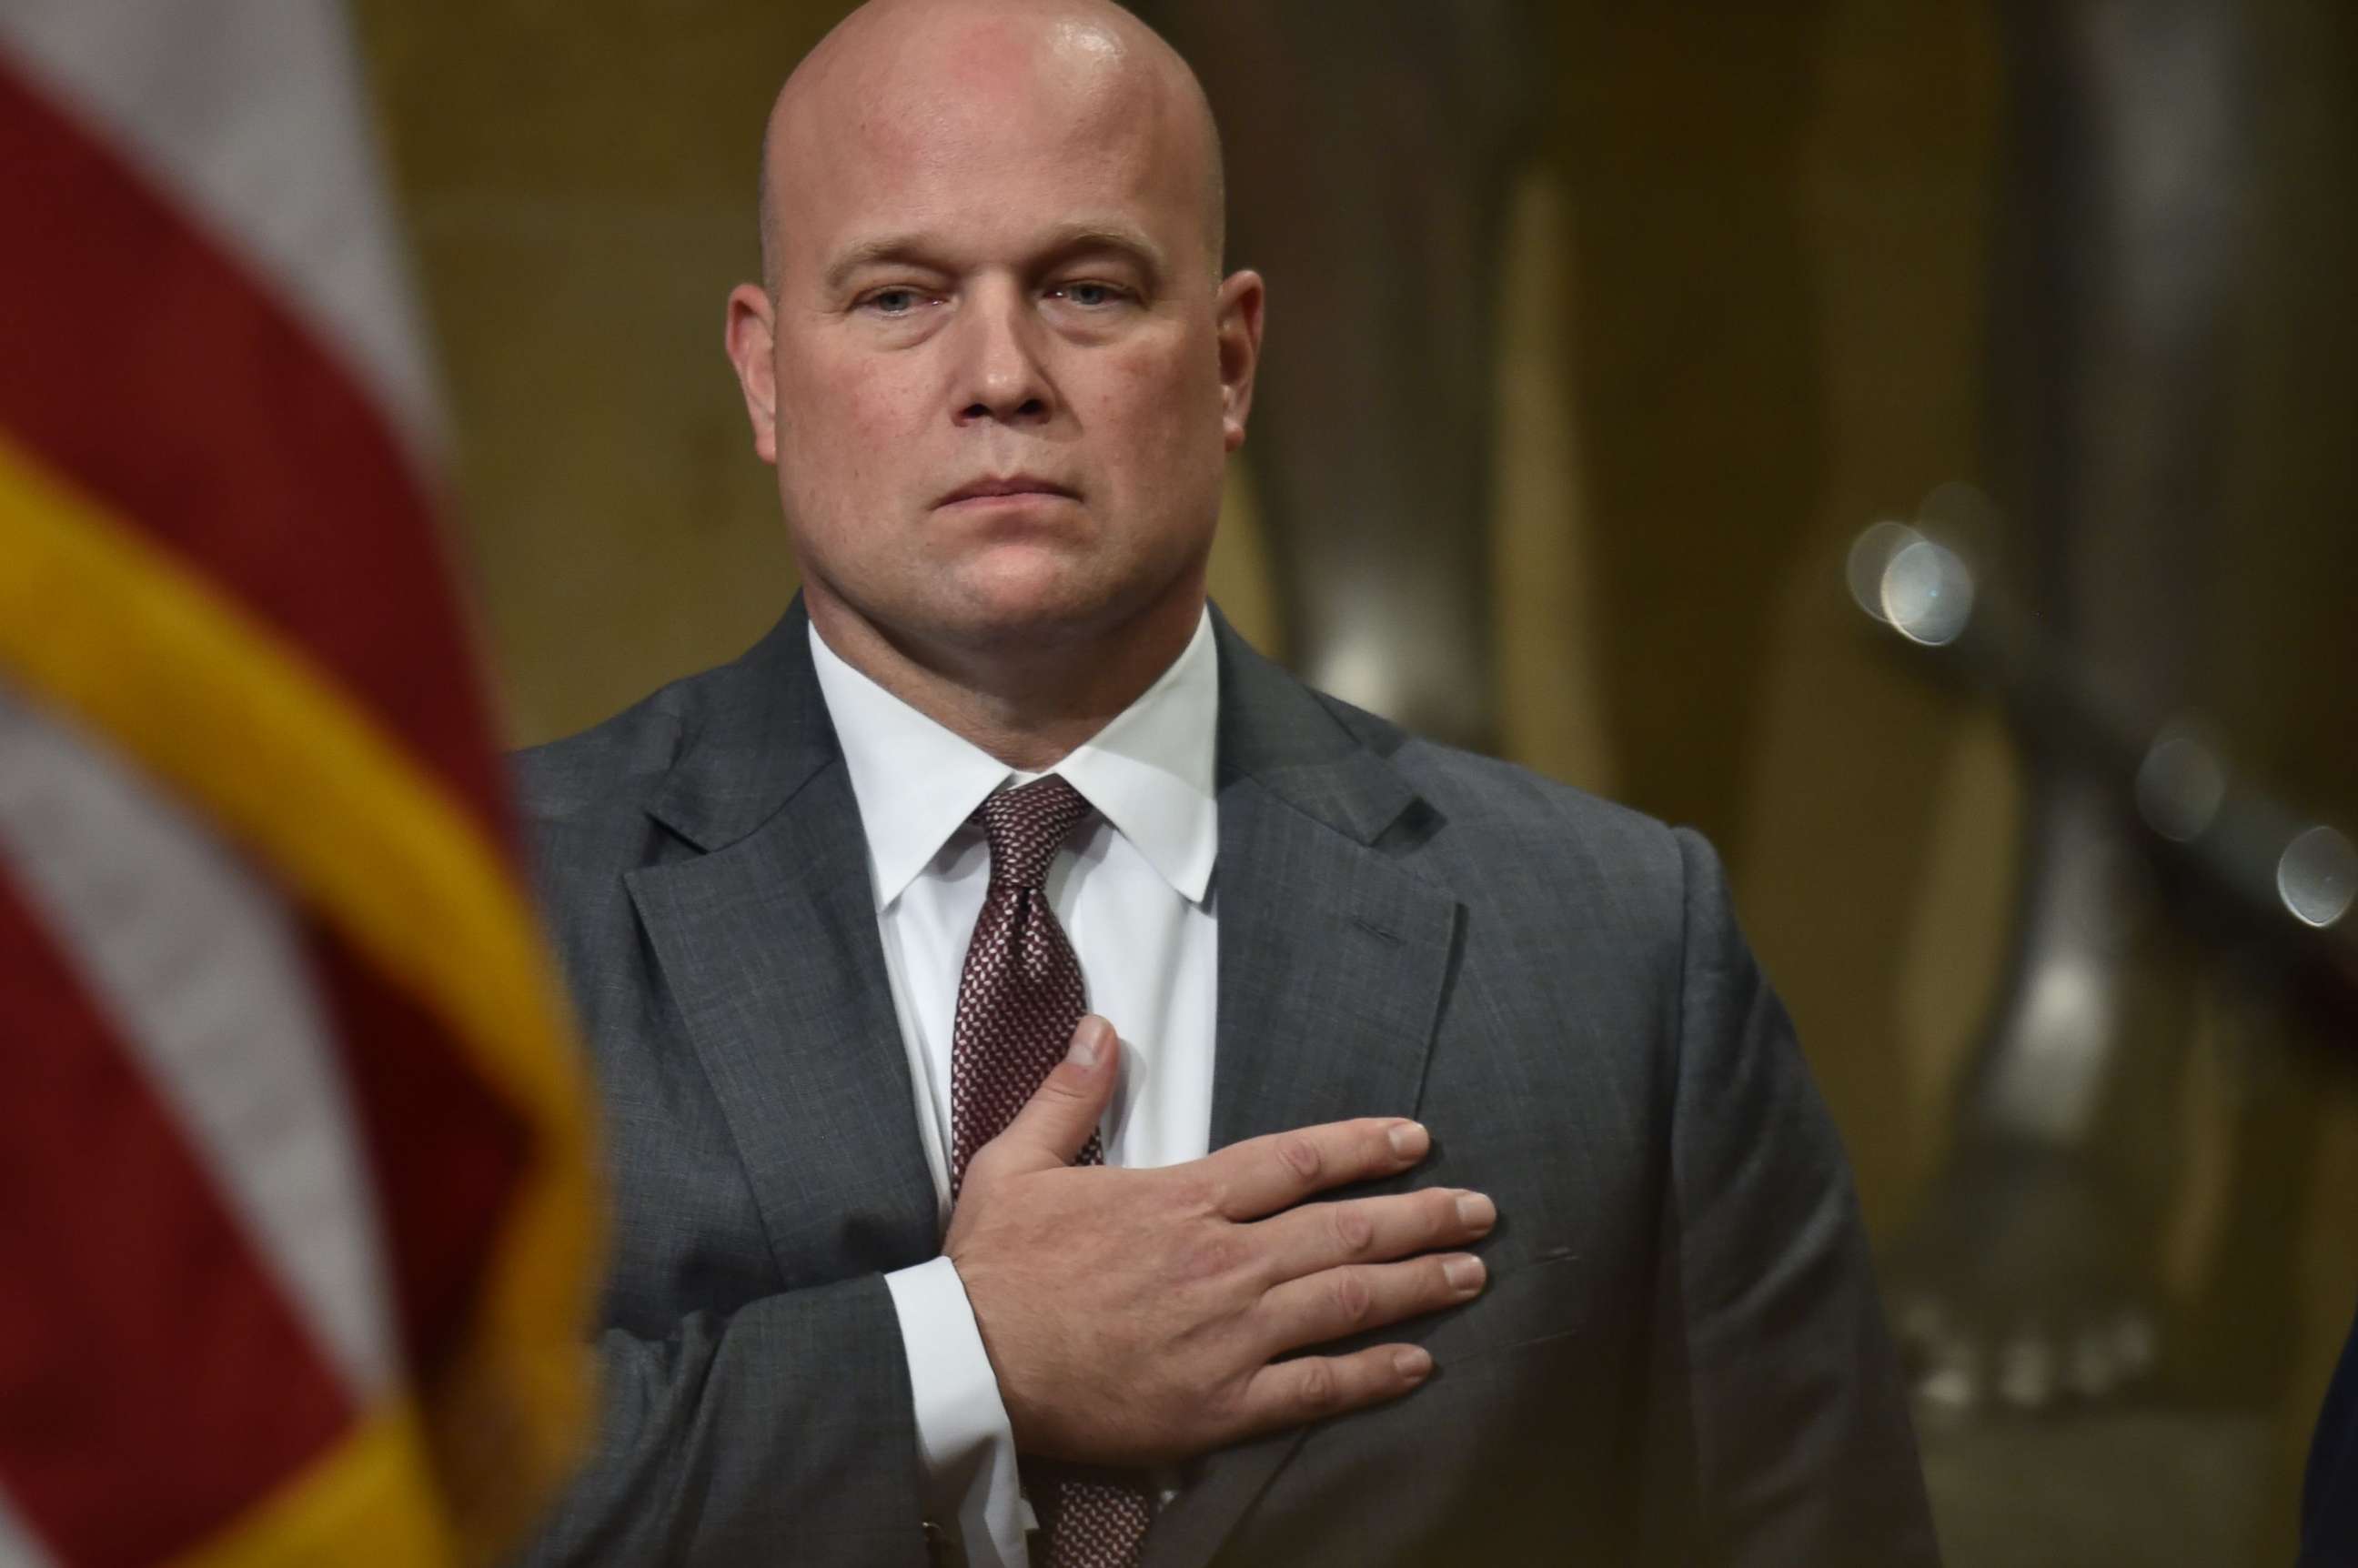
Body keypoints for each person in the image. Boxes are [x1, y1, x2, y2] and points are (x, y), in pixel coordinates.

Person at [510, 1, 1936, 1563]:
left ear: (1234, 356)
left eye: (1088, 287)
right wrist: (956, 1355)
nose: (1002, 374)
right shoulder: (493, 913)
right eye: (903, 294)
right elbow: (325, 1510)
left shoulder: (1622, 953)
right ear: (767, 373)